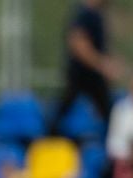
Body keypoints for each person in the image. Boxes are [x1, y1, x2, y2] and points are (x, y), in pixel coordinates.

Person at [50, 0, 119, 137]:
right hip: (81, 73)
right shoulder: (83, 13)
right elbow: (78, 44)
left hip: (92, 75)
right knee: (63, 110)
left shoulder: (97, 15)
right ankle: (48, 140)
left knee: (108, 113)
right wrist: (102, 65)